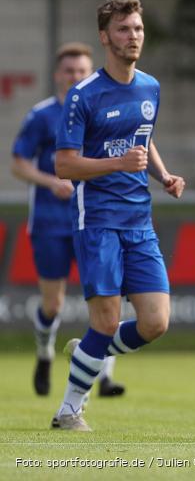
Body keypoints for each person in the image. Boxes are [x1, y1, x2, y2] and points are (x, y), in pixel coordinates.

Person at [50, 0, 185, 431]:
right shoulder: (83, 95)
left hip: (139, 222)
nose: (134, 37)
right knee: (106, 322)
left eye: (139, 29)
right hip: (98, 221)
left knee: (155, 322)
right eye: (124, 29)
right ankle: (69, 410)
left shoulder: (150, 86)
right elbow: (64, 165)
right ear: (105, 37)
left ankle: (89, 351)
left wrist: (163, 175)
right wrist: (118, 164)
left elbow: (143, 137)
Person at [11, 42, 126, 398]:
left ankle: (104, 376)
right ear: (58, 75)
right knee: (54, 303)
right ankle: (45, 353)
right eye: (69, 71)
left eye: (82, 71)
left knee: (107, 297)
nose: (75, 76)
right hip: (50, 222)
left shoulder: (103, 111)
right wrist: (50, 181)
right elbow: (19, 163)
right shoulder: (43, 115)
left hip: (94, 218)